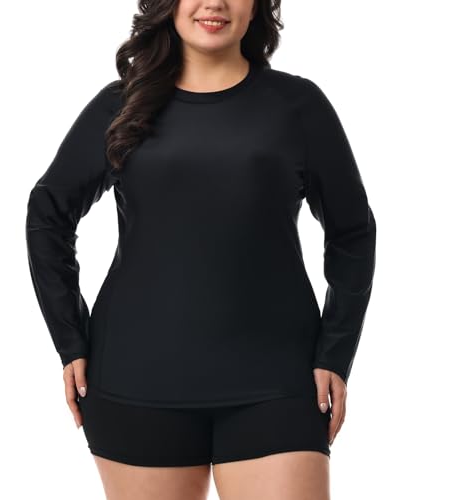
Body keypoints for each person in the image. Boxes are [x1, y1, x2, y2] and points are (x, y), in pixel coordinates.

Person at [25, 0, 377, 498]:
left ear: (257, 7)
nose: (214, 3)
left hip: (280, 380)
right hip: (136, 378)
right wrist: (70, 339)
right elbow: (48, 214)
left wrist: (336, 352)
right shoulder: (121, 104)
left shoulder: (297, 106)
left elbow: (352, 231)